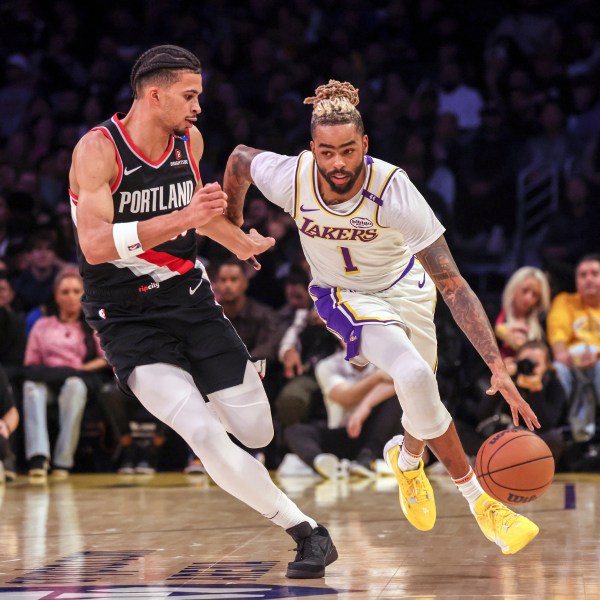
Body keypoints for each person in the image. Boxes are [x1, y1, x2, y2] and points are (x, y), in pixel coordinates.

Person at [224, 79, 541, 555]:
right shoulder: (292, 176)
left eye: (348, 151)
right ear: (313, 148)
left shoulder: (393, 189)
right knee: (411, 372)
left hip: (408, 288)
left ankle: (407, 459)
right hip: (343, 293)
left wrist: (498, 365)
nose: (337, 164)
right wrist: (232, 227)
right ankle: (482, 503)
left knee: (422, 388)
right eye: (326, 152)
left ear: (365, 145)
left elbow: (452, 283)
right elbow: (239, 160)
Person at [69, 45, 336, 579]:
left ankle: (208, 394)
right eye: (190, 96)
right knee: (204, 434)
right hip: (125, 318)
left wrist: (238, 242)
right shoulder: (98, 151)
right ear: (155, 94)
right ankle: (307, 532)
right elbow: (95, 244)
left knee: (258, 432)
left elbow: (200, 217)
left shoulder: (188, 141)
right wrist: (184, 218)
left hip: (189, 300)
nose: (197, 107)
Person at [22, 270, 107, 480]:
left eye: (76, 291)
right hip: (48, 378)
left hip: (78, 378)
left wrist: (82, 370)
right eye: (65, 292)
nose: (71, 297)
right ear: (56, 295)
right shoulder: (43, 325)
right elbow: (30, 362)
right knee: (31, 388)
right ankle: (38, 456)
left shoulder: (92, 325)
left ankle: (63, 460)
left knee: (74, 386)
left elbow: (106, 357)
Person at [284, 345, 400, 479]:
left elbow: (396, 383)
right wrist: (378, 377)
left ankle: (367, 458)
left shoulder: (384, 359)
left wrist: (364, 407)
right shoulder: (327, 365)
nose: (355, 338)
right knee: (295, 431)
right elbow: (346, 397)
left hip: (376, 434)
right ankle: (322, 462)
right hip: (344, 434)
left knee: (397, 398)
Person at [547, 254, 600, 407]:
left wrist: (596, 356)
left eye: (595, 274)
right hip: (571, 360)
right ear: (576, 282)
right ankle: (551, 425)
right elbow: (558, 333)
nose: (588, 279)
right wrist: (562, 355)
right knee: (558, 369)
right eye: (583, 275)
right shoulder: (564, 300)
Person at [495, 266, 551, 360]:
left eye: (535, 295)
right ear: (513, 288)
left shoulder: (541, 325)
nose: (528, 298)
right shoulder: (493, 312)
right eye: (525, 290)